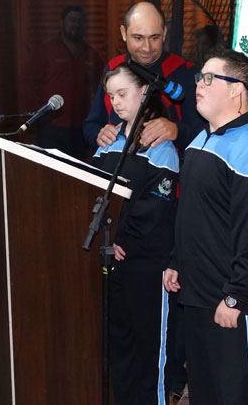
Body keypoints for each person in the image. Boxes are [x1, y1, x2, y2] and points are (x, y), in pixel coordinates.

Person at [163, 48, 248, 405]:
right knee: (208, 392)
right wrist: (177, 261)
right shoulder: (202, 139)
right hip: (199, 295)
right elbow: (193, 213)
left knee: (242, 393)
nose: (198, 85)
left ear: (237, 89)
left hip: (235, 302)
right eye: (199, 77)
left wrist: (236, 296)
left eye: (209, 78)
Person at [92, 64, 179, 405]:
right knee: (119, 339)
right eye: (110, 96)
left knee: (147, 344)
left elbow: (155, 207)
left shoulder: (159, 146)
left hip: (144, 261)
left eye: (122, 93)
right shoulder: (109, 141)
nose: (115, 102)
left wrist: (120, 239)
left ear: (145, 92)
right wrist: (105, 238)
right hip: (110, 256)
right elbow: (88, 189)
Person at [83, 1, 204, 156]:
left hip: (166, 167)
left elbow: (206, 134)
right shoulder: (113, 68)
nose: (147, 47)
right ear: (123, 33)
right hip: (116, 165)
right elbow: (90, 125)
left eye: (154, 38)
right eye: (138, 38)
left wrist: (177, 130)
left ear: (164, 34)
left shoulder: (184, 71)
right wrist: (99, 135)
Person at [20, 5, 103, 160]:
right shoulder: (46, 51)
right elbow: (27, 84)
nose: (76, 24)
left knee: (78, 170)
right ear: (62, 23)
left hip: (80, 129)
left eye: (80, 21)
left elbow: (102, 89)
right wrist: (39, 115)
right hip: (52, 127)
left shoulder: (92, 55)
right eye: (72, 20)